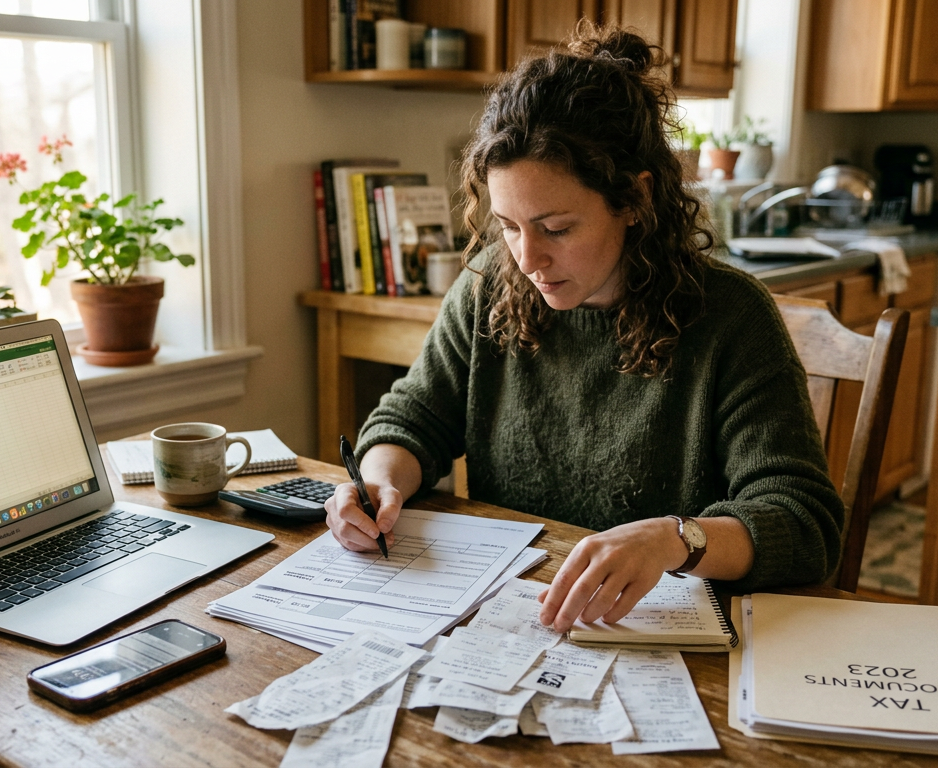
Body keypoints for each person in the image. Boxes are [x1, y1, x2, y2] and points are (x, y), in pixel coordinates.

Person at [324, 25, 844, 634]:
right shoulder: (491, 288)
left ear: (633, 199)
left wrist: (675, 540)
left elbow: (803, 522)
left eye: (557, 228)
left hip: (669, 642)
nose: (526, 259)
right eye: (509, 226)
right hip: (513, 623)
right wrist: (379, 484)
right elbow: (412, 420)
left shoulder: (731, 318)